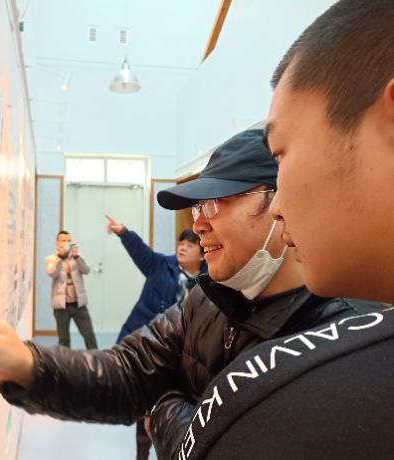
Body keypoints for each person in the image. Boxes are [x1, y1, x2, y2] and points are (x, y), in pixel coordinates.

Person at [0, 129, 382, 457]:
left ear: (279, 200)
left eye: (215, 204)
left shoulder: (348, 337)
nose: (199, 225)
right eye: (197, 208)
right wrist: (24, 363)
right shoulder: (205, 299)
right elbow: (128, 372)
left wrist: (163, 408)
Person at [149, 2, 394, 458]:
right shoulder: (208, 298)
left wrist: (163, 411)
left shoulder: (347, 362)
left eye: (281, 153)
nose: (278, 207)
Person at [104, 215, 205, 459]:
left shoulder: (210, 280)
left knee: (174, 407)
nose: (182, 247)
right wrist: (123, 232)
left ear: (202, 255)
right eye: (181, 243)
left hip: (184, 354)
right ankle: (141, 453)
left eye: (190, 244)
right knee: (146, 403)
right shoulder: (160, 265)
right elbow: (141, 252)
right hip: (150, 346)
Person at [44, 230, 97, 349]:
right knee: (64, 339)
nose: (66, 243)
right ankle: (65, 361)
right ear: (57, 242)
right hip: (61, 306)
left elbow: (87, 270)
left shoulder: (78, 256)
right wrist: (59, 258)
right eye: (63, 241)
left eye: (69, 241)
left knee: (89, 335)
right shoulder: (51, 258)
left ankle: (96, 358)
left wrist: (76, 257)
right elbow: (52, 273)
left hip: (79, 304)